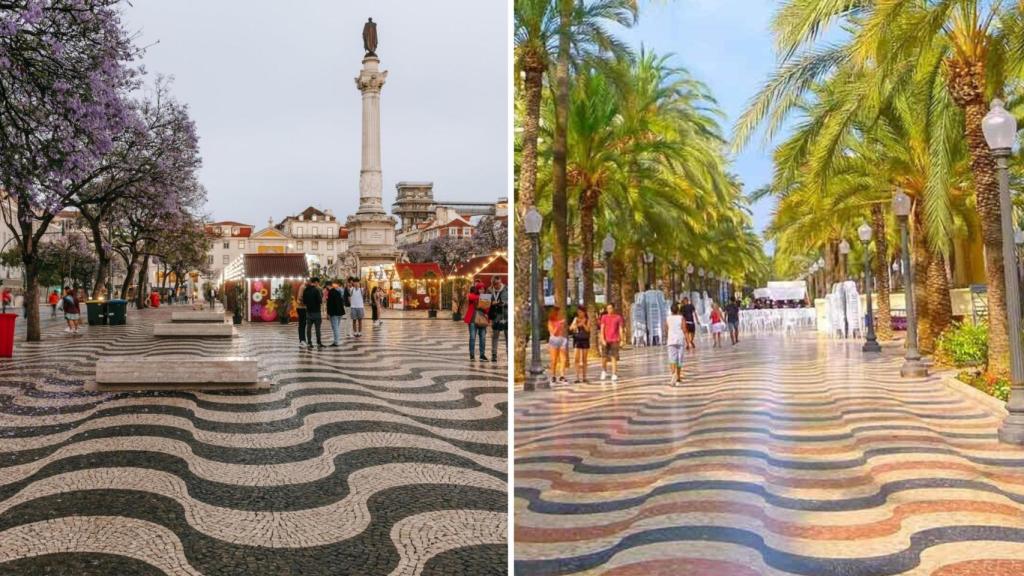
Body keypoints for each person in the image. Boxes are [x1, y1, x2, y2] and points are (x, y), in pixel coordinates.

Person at [598, 303, 624, 382]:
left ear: (613, 308)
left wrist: (622, 340)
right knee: (604, 357)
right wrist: (602, 339)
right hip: (606, 340)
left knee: (614, 357)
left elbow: (620, 329)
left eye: (610, 308)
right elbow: (602, 329)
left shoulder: (618, 317)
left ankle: (614, 374)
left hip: (615, 340)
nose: (609, 310)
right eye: (608, 308)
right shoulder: (604, 317)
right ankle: (604, 371)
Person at [464, 284, 489, 361]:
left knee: (483, 338)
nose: (482, 290)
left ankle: (482, 355)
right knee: (472, 337)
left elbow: (486, 310)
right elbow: (470, 297)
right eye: (480, 289)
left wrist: (485, 305)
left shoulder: (485, 297)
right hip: (472, 319)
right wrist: (482, 297)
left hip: (482, 319)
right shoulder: (473, 295)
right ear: (477, 289)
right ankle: (472, 355)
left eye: (483, 289)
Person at [665, 303, 686, 386]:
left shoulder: (668, 318)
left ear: (671, 311)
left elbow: (666, 329)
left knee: (672, 359)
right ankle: (678, 377)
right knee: (679, 359)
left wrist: (669, 335)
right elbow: (684, 329)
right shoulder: (681, 318)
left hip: (671, 340)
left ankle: (673, 373)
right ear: (678, 310)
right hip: (680, 340)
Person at [547, 307, 569, 385]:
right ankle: (553, 376)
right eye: (558, 312)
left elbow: (562, 331)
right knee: (554, 359)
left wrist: (561, 325)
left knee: (563, 359)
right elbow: (553, 332)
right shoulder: (550, 321)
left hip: (561, 339)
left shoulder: (560, 320)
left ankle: (562, 376)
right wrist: (558, 324)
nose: (559, 314)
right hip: (554, 340)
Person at [488, 276, 507, 363]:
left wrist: (502, 303)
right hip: (496, 316)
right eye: (495, 284)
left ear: (500, 282)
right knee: (495, 336)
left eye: (498, 283)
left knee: (508, 337)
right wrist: (491, 303)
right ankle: (494, 355)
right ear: (492, 284)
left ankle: (509, 354)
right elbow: (485, 302)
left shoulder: (507, 289)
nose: (497, 286)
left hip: (506, 316)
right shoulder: (489, 291)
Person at [569, 307, 591, 383]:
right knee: (576, 359)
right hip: (577, 340)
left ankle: (584, 377)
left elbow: (588, 329)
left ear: (584, 312)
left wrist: (583, 324)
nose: (580, 313)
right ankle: (577, 377)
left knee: (584, 359)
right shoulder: (575, 319)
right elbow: (571, 328)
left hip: (585, 340)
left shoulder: (587, 319)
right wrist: (576, 324)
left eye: (581, 312)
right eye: (578, 312)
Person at [302, 277, 324, 349]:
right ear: (316, 282)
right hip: (317, 312)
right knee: (317, 329)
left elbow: (304, 302)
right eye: (318, 282)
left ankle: (309, 343)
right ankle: (318, 343)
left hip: (308, 312)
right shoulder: (316, 290)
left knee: (308, 328)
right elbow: (320, 301)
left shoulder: (305, 290)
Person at [327, 279, 346, 347]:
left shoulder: (331, 292)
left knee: (335, 327)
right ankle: (336, 339)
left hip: (334, 312)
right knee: (337, 327)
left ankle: (336, 341)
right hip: (340, 312)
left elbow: (330, 304)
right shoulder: (339, 291)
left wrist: (328, 313)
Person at [295, 280, 308, 348]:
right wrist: (307, 302)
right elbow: (300, 298)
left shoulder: (305, 287)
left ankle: (303, 339)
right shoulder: (303, 287)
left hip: (303, 308)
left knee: (303, 324)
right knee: (302, 324)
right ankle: (302, 340)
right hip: (301, 308)